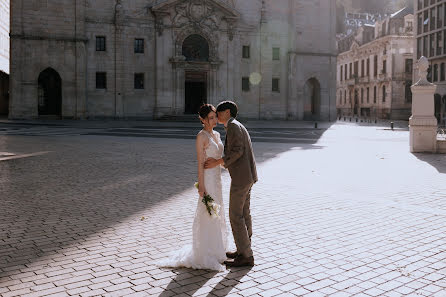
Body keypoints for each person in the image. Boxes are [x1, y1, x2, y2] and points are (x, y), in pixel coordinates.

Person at [158, 104, 228, 271]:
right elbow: (200, 163)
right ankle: (205, 252)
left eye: (214, 116)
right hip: (208, 179)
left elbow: (220, 157)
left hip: (218, 179)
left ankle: (218, 249)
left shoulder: (217, 134)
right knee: (208, 212)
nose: (214, 120)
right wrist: (201, 185)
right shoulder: (201, 137)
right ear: (202, 120)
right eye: (210, 118)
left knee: (218, 212)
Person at [204, 101, 258, 267]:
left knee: (235, 215)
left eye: (219, 112)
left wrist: (218, 162)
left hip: (241, 178)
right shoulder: (236, 125)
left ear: (226, 112)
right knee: (244, 213)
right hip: (247, 176)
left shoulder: (233, 126)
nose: (217, 116)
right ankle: (244, 249)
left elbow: (238, 151)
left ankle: (246, 255)